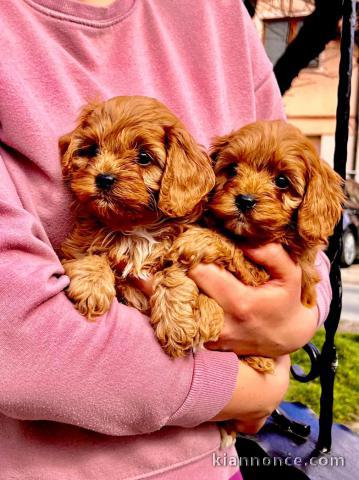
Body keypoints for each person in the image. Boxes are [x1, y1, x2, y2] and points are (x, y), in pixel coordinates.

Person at [0, 1, 332, 479]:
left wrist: (298, 320)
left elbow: (308, 250)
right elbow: (26, 347)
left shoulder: (219, 14)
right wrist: (254, 390)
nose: (107, 173)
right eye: (90, 153)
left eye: (142, 159)